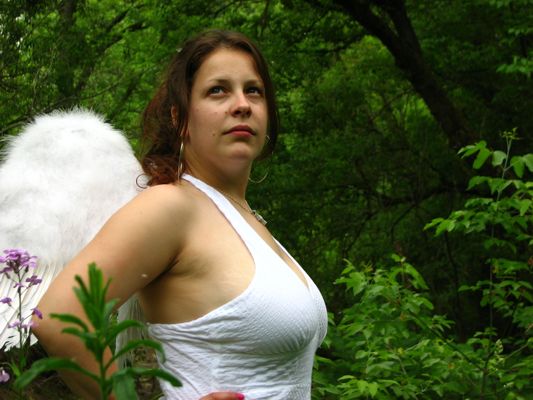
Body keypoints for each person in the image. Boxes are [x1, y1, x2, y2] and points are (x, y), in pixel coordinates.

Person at [33, 30, 328, 399]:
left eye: (253, 90)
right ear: (180, 117)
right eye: (217, 90)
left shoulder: (245, 218)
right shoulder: (170, 206)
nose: (242, 104)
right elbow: (58, 316)